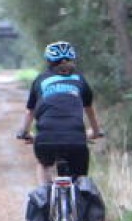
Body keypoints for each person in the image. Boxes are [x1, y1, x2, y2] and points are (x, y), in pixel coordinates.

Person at [16, 41, 105, 184]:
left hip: (45, 138)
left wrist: (24, 133)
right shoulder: (79, 80)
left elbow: (30, 112)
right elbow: (89, 110)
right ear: (72, 60)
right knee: (80, 180)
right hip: (76, 138)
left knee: (44, 165)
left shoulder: (40, 80)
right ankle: (79, 200)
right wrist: (96, 131)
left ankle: (44, 194)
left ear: (49, 62)